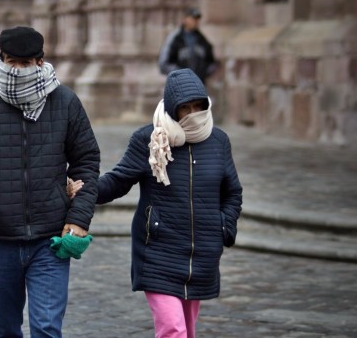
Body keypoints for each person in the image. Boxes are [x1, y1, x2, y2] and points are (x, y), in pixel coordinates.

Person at [0, 26, 100, 337]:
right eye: (12, 61)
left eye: (26, 63)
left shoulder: (66, 103)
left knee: (46, 329)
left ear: (40, 63)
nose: (18, 70)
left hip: (50, 239)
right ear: (0, 60)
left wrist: (79, 217)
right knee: (4, 330)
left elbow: (86, 162)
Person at [71, 68, 243, 338]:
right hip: (158, 251)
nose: (193, 113)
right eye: (186, 108)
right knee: (173, 330)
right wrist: (83, 190)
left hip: (202, 254)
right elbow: (118, 180)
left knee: (188, 330)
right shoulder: (149, 139)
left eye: (199, 106)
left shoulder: (218, 141)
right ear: (174, 109)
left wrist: (224, 227)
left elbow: (232, 192)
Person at [158, 7, 218, 85]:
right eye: (192, 18)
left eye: (197, 19)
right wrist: (180, 75)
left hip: (198, 86)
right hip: (179, 86)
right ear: (185, 19)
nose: (195, 21)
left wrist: (202, 74)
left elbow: (212, 63)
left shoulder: (202, 40)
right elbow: (164, 64)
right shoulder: (175, 38)